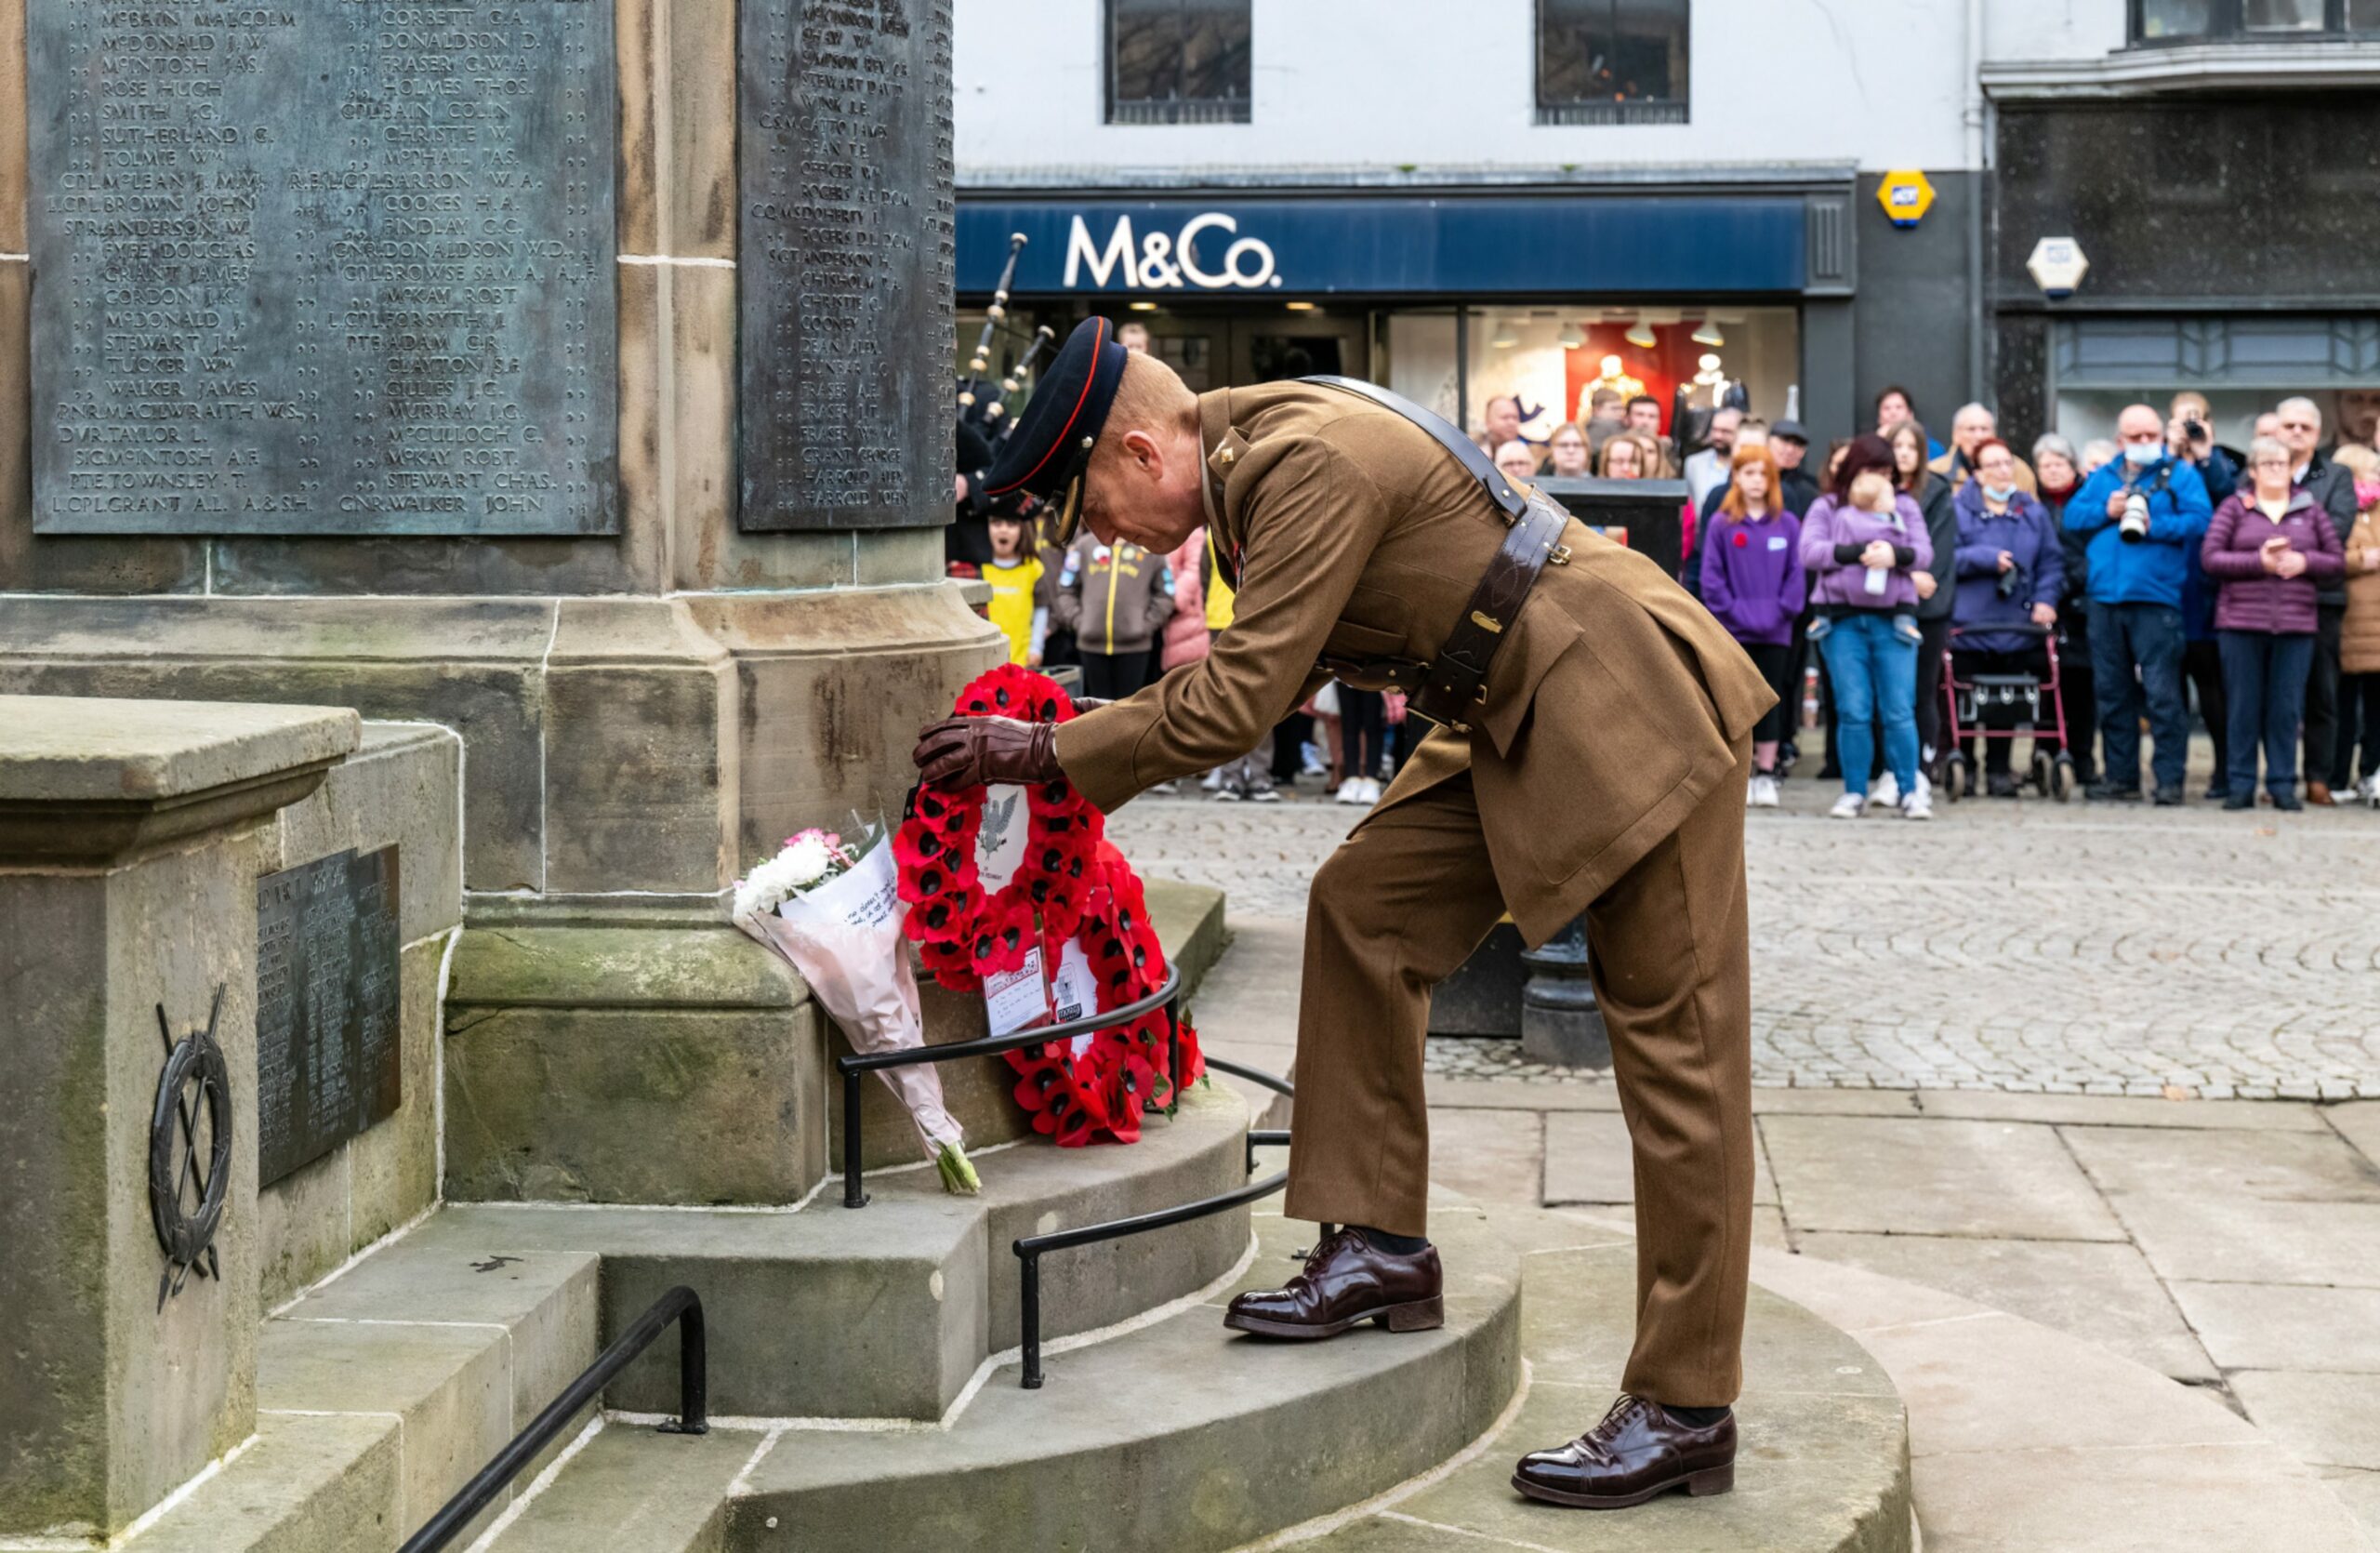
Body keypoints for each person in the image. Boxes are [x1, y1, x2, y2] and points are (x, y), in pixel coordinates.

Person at [919, 316, 1775, 1508]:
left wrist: (1046, 749)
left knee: (1678, 1061)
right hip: (1503, 698)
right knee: (1364, 906)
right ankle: (1377, 1244)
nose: (1102, 537)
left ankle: (1687, 1405)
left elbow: (1234, 701)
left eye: (1094, 507)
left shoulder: (1297, 461)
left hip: (1620, 695)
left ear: (1140, 453)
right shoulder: (1254, 461)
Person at [2067, 404, 2215, 804]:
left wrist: (2154, 525)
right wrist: (2105, 510)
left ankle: (2169, 780)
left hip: (2155, 598)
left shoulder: (2179, 475)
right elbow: (2072, 517)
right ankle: (2121, 777)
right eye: (2136, 436)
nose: (2146, 442)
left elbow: (2202, 520)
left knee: (2162, 695)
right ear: (2121, 441)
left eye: (2152, 435)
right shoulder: (2103, 477)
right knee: (2112, 694)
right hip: (2104, 598)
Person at [2202, 435, 2344, 810]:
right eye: (2268, 464)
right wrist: (2257, 563)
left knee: (2286, 709)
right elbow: (2212, 558)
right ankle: (2241, 784)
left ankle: (2282, 784)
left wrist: (2305, 562)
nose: (2276, 470)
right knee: (2243, 708)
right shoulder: (2235, 507)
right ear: (2253, 470)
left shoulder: (2309, 508)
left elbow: (2336, 561)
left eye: (2282, 463)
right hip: (2241, 623)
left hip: (2296, 625)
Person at [1800, 435, 1934, 821]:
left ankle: (1910, 791)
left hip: (1894, 620)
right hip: (1841, 622)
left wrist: (1897, 555)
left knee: (1898, 709)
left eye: (1888, 473)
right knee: (1853, 710)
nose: (1883, 479)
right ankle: (1854, 791)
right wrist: (1856, 554)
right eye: (1875, 471)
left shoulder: (1905, 506)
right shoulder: (1827, 506)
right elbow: (1809, 551)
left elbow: (1925, 553)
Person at [1950, 439, 2066, 797]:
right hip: (1971, 622)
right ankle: (1965, 764)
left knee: (2009, 696)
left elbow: (2051, 562)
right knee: (1968, 695)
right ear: (1977, 472)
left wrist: (2047, 600)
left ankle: (2000, 768)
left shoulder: (2032, 512)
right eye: (1994, 465)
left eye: (2007, 463)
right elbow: (1943, 559)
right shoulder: (1956, 510)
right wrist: (1985, 558)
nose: (2003, 471)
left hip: (2018, 622)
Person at [1700, 443, 1803, 808]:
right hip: (1734, 631)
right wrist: (1736, 614)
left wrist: (1776, 614)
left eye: (1763, 473)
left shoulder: (1787, 524)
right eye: (1748, 472)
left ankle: (1765, 773)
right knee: (1734, 701)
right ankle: (1738, 776)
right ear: (1736, 477)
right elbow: (1711, 578)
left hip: (1775, 632)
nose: (1756, 480)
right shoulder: (1721, 523)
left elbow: (1796, 577)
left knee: (1770, 700)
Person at [2274, 398, 2361, 803]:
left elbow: (2337, 530)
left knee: (2321, 694)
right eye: (2288, 425)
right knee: (2272, 695)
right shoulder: (2258, 471)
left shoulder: (2336, 475)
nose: (2296, 433)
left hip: (2320, 598)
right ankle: (2277, 777)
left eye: (2304, 427)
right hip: (2265, 598)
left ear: (2317, 430)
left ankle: (2318, 777)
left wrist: (2287, 550)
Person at [1891, 420, 1959, 793]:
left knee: (1921, 691)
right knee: (1890, 694)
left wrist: (1911, 576)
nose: (1903, 453)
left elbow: (1938, 560)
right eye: (1896, 445)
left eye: (1910, 447)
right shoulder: (1873, 490)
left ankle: (1920, 767)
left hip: (1927, 610)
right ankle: (1891, 769)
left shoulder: (1936, 492)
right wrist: (1903, 577)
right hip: (1885, 605)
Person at [2035, 434, 2099, 785]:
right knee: (2046, 686)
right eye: (2045, 464)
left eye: (2059, 462)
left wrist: (2065, 584)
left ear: (2072, 466)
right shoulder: (2031, 504)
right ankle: (2044, 754)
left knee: (2082, 688)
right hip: (2043, 608)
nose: (2053, 470)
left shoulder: (2088, 500)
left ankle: (2083, 757)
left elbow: (2093, 553)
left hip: (2081, 607)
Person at [1051, 529, 1176, 699]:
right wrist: (1079, 621)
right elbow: (1065, 588)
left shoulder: (1149, 547)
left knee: (1128, 710)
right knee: (1097, 710)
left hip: (1135, 648)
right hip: (1090, 646)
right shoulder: (1084, 545)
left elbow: (1166, 593)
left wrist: (1145, 625)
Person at [2334, 444, 2380, 804]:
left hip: (2376, 626)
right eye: (2372, 471)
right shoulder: (2339, 510)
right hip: (2346, 619)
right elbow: (2328, 552)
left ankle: (2371, 773)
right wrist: (2364, 558)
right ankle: (2336, 776)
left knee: (2377, 710)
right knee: (2341, 706)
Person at [981, 511, 1048, 667]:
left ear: (1022, 530)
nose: (1003, 530)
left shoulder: (1034, 568)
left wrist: (1036, 648)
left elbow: (1041, 609)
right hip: (984, 661)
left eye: (1011, 525)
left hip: (1021, 660)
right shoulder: (979, 567)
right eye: (997, 524)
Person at [1929, 403, 2038, 496]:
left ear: (1994, 434)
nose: (1979, 436)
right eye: (1971, 429)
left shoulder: (2019, 470)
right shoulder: (1934, 473)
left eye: (1984, 429)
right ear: (1956, 435)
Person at [1683, 406, 1742, 513]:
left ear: (1740, 433)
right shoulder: (1693, 464)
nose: (1718, 436)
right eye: (1715, 430)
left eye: (1726, 431)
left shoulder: (1748, 466)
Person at [1875, 385, 1945, 460]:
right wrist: (1879, 443)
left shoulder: (1932, 448)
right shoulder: (1870, 447)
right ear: (1879, 418)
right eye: (1886, 408)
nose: (1893, 413)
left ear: (1910, 415)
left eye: (1899, 407)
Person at [1770, 421, 1819, 515]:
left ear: (1804, 452)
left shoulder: (1809, 489)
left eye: (1798, 445)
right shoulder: (1752, 478)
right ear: (1768, 441)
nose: (1790, 450)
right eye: (1784, 441)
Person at [1625, 394, 1677, 474]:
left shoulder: (1671, 453)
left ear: (1659, 423)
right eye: (1640, 415)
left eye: (1652, 416)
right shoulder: (1613, 449)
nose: (1645, 421)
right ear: (1627, 419)